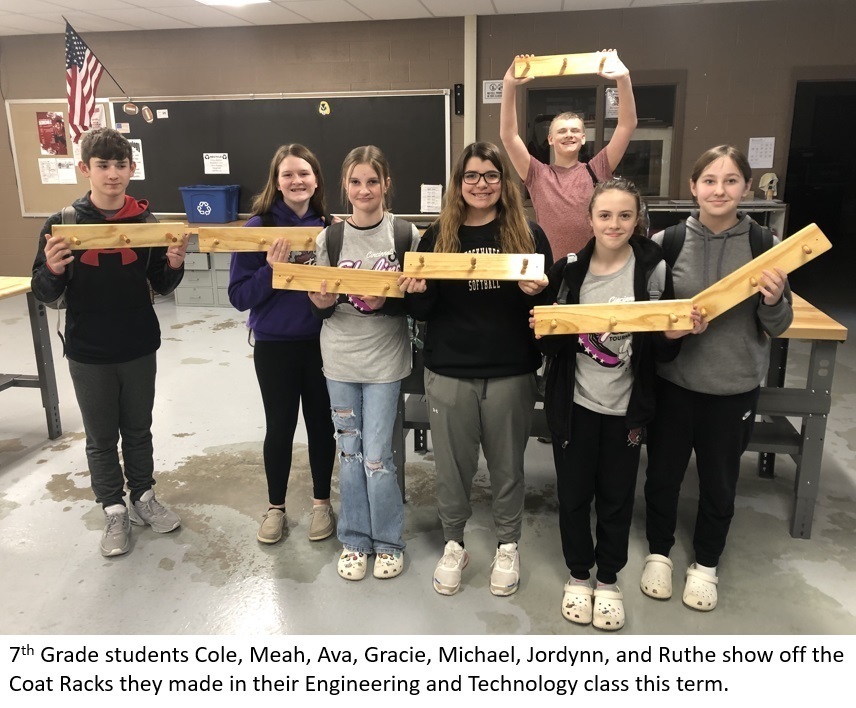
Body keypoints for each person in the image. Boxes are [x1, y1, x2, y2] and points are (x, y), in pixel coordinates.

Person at [533, 178, 693, 630]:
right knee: (574, 495)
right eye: (604, 215)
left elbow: (661, 350)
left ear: (637, 218)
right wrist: (545, 332)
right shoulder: (570, 271)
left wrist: (672, 336)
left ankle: (608, 579)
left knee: (617, 496)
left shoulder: (653, 268)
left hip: (627, 408)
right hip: (576, 406)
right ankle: (579, 575)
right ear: (589, 220)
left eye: (625, 215)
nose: (615, 224)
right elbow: (554, 347)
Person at [641, 145, 792, 612]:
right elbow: (653, 323)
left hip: (733, 388)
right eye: (709, 180)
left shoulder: (766, 245)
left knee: (720, 480)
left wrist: (772, 302)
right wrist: (671, 330)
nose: (719, 190)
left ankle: (706, 563)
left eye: (730, 181)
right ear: (693, 187)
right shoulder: (666, 242)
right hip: (674, 384)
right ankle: (659, 553)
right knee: (662, 475)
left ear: (746, 187)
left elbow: (779, 325)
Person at [403, 141, 552, 598]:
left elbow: (545, 311)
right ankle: (455, 542)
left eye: (490, 175)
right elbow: (423, 309)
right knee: (452, 468)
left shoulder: (528, 235)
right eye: (471, 176)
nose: (481, 184)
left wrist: (537, 293)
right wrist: (414, 291)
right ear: (458, 183)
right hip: (450, 371)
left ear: (504, 183)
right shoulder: (438, 237)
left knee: (508, 467)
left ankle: (508, 545)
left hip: (510, 370)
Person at [30, 127, 188, 557]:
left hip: (138, 344)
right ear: (85, 169)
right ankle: (114, 508)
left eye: (120, 165)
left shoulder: (146, 221)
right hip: (89, 349)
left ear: (132, 169)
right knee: (101, 436)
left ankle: (143, 496)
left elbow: (161, 283)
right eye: (103, 166)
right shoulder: (62, 222)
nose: (112, 174)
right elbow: (43, 291)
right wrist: (54, 270)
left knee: (138, 429)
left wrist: (174, 264)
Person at [308, 145, 420, 581]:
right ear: (345, 186)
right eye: (355, 182)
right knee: (349, 453)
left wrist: (389, 300)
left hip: (385, 364)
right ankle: (355, 539)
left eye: (372, 181)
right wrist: (319, 304)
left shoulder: (407, 235)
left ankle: (389, 541)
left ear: (386, 184)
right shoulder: (329, 238)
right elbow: (321, 306)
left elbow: (419, 302)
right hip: (338, 360)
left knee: (377, 457)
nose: (364, 189)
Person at [228, 144, 337, 545]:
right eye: (288, 174)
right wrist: (272, 270)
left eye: (304, 174)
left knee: (322, 427)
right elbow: (239, 297)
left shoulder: (331, 228)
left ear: (316, 180)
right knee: (280, 427)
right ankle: (275, 508)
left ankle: (322, 504)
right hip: (275, 346)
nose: (297, 181)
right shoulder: (258, 230)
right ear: (277, 182)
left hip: (323, 345)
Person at [500, 50, 638, 261]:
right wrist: (508, 85)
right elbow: (509, 135)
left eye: (574, 131)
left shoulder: (598, 169)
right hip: (552, 272)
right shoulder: (537, 174)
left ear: (583, 138)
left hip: (593, 270)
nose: (569, 135)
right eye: (562, 131)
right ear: (550, 139)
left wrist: (623, 78)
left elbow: (627, 125)